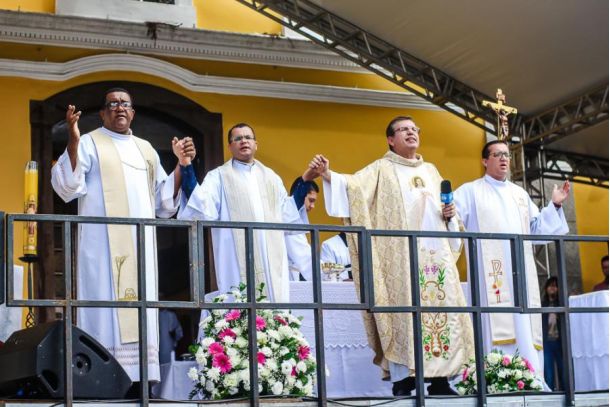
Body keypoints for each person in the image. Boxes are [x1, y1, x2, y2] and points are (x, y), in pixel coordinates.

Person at [306, 116, 474, 396]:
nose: (411, 132)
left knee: (443, 316)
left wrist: (449, 215)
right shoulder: (382, 169)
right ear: (390, 139)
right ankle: (404, 380)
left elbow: (445, 214)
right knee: (403, 315)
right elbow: (353, 187)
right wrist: (328, 175)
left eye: (414, 129)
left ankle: (440, 380)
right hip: (401, 260)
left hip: (436, 259)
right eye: (403, 129)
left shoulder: (431, 170)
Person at [51, 88, 195, 383]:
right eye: (113, 104)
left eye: (125, 104)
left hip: (140, 246)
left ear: (133, 113)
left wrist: (181, 165)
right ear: (103, 113)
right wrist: (74, 140)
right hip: (102, 245)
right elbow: (69, 186)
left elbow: (163, 202)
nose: (119, 108)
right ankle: (100, 376)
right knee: (103, 302)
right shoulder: (90, 142)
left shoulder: (146, 149)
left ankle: (141, 380)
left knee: (140, 302)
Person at [453, 139, 570, 383]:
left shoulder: (519, 194)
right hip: (490, 275)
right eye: (497, 154)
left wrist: (555, 204)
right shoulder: (470, 191)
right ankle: (493, 378)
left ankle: (528, 378)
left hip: (521, 272)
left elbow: (537, 230)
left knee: (523, 322)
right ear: (485, 161)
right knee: (492, 318)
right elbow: (451, 220)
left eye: (506, 154)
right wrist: (446, 214)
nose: (504, 159)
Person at [178, 123, 314, 302]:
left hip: (270, 258)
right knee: (240, 303)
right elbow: (201, 206)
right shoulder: (218, 176)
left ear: (256, 144)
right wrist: (186, 165)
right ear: (229, 146)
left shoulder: (272, 177)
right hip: (236, 257)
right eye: (238, 138)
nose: (244, 141)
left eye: (248, 137)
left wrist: (305, 180)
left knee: (274, 305)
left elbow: (287, 214)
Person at [285, 177, 319, 281]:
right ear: (300, 195)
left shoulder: (295, 219)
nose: (313, 206)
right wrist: (329, 273)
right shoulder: (289, 220)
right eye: (311, 200)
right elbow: (305, 258)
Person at [541, 277, 564, 390]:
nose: (552, 288)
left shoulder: (562, 303)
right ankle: (550, 395)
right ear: (546, 288)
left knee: (563, 371)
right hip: (547, 342)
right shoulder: (542, 305)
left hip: (561, 342)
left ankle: (566, 393)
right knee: (548, 373)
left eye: (555, 286)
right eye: (550, 285)